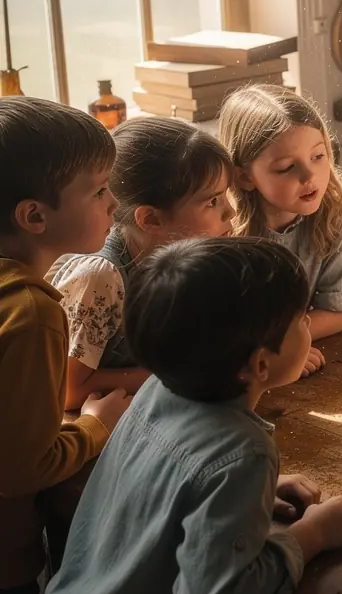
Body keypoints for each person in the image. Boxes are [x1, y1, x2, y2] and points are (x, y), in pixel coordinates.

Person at [24, 237, 342, 594]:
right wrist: (311, 535)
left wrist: (251, 501)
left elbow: (161, 484)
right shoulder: (242, 452)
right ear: (259, 365)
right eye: (301, 319)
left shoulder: (155, 391)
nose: (308, 325)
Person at [0, 97, 131, 594]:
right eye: (100, 190)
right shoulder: (31, 312)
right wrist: (95, 426)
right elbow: (22, 468)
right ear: (34, 215)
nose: (113, 205)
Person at [50, 117, 235, 409]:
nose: (231, 212)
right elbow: (66, 390)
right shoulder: (101, 277)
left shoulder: (183, 259)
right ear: (151, 219)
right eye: (212, 202)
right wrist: (172, 375)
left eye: (226, 196)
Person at [220, 85, 342, 377]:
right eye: (287, 167)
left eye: (318, 156)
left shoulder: (339, 216)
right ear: (245, 176)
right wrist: (268, 349)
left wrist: (284, 345)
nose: (309, 176)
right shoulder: (221, 228)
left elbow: (337, 312)